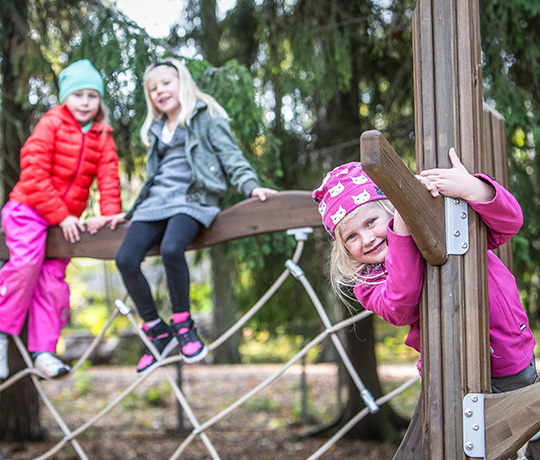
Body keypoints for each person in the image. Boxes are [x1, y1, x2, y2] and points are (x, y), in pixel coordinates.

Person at [313, 149, 537, 392]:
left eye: (370, 222)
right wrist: (400, 232)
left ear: (390, 208)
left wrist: (473, 189)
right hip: (446, 372)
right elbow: (402, 303)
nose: (366, 239)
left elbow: (510, 222)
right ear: (343, 247)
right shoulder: (366, 284)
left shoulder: (437, 226)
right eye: (351, 236)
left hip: (507, 353)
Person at [115, 58, 276, 373]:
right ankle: (158, 332)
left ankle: (183, 325)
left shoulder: (206, 115)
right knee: (125, 258)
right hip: (155, 203)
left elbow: (231, 156)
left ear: (182, 83)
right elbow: (153, 178)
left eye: (165, 83)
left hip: (194, 198)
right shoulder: (157, 129)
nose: (160, 91)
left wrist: (250, 186)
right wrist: (129, 212)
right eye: (153, 88)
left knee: (172, 250)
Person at [0, 59, 124, 380]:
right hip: (28, 210)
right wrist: (62, 215)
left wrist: (109, 217)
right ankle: (0, 335)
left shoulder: (102, 134)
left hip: (61, 224)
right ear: (65, 97)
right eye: (78, 94)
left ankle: (44, 352)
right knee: (26, 265)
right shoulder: (52, 123)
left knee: (53, 284)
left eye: (92, 96)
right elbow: (34, 171)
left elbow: (108, 177)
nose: (85, 102)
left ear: (100, 100)